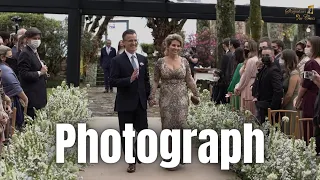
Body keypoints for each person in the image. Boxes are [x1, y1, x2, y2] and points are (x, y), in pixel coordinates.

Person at [149, 33, 200, 170]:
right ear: (168, 45)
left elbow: (189, 79)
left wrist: (196, 93)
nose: (176, 48)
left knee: (181, 125)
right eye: (173, 45)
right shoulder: (160, 62)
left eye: (178, 45)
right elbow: (155, 80)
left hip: (182, 98)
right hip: (166, 98)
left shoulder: (184, 61)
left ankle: (180, 156)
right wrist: (152, 96)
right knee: (168, 126)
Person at [110, 29, 151, 173]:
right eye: (130, 40)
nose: (133, 43)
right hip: (125, 103)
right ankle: (131, 161)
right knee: (126, 134)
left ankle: (137, 153)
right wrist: (129, 79)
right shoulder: (116, 60)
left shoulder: (142, 59)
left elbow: (146, 81)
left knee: (144, 131)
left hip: (140, 103)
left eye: (135, 40)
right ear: (123, 42)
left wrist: (149, 96)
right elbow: (112, 81)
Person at [17, 27, 47, 119]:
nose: (37, 41)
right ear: (27, 39)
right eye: (34, 38)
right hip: (32, 97)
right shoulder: (25, 53)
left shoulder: (34, 52)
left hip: (39, 97)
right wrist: (40, 73)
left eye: (38, 39)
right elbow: (24, 74)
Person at [0, 45, 28, 129]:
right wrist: (25, 98)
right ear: (2, 57)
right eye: (10, 56)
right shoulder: (5, 70)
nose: (12, 58)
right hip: (7, 103)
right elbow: (14, 86)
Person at [255, 47, 283, 123]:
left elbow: (278, 90)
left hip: (269, 107)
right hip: (262, 105)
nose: (264, 57)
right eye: (263, 55)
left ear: (273, 56)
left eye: (267, 55)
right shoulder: (264, 68)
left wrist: (273, 108)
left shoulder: (274, 70)